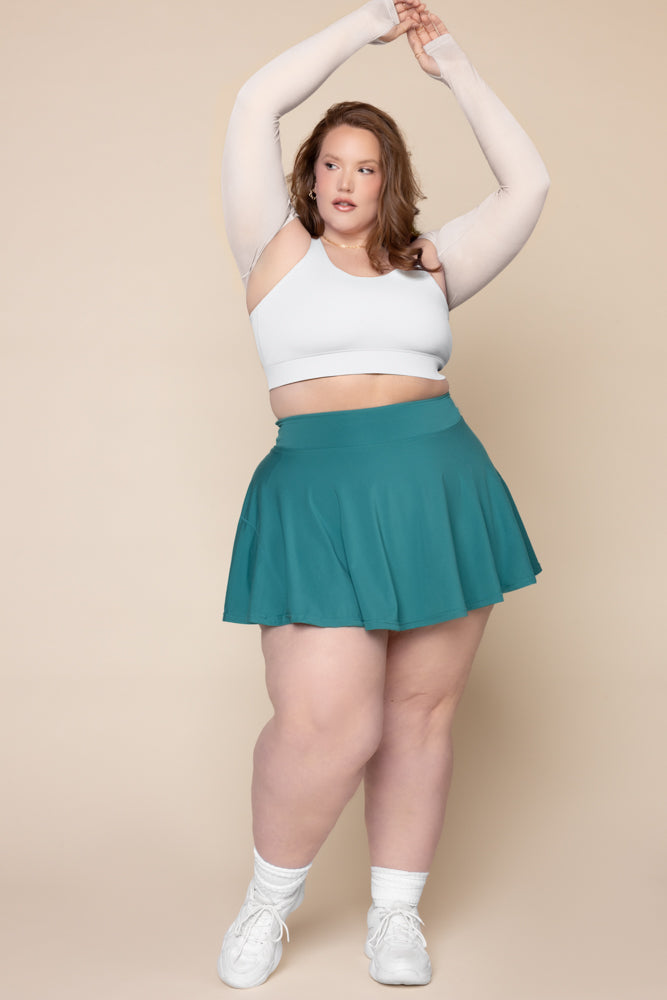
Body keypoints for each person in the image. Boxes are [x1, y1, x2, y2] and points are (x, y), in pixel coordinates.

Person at [217, 0, 549, 988]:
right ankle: (266, 904)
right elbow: (254, 101)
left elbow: (528, 184)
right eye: (330, 164)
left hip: (438, 487)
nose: (345, 181)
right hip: (315, 498)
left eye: (365, 167)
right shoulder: (273, 250)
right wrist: (365, 23)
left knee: (418, 714)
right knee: (328, 724)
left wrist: (453, 68)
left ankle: (394, 917)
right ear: (308, 176)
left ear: (388, 180)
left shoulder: (428, 264)